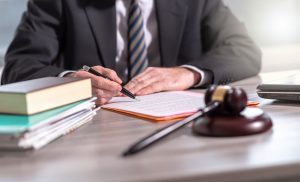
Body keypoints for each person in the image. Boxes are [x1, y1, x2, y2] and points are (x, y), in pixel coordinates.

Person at [1, 0, 261, 105]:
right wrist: (71, 80)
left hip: (175, 125)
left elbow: (245, 50)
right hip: (90, 135)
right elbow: (17, 67)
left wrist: (187, 73)